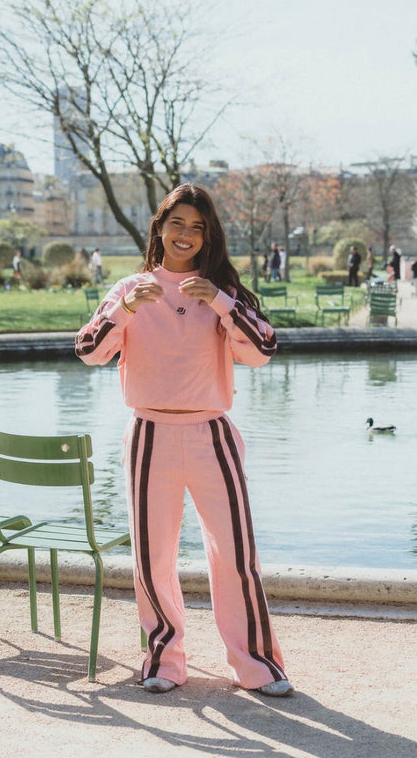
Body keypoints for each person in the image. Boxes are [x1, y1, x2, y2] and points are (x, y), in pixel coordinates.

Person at [75, 183, 293, 698]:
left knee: (236, 552)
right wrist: (125, 309)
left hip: (211, 434)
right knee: (153, 556)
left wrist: (219, 301)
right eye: (177, 223)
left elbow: (263, 350)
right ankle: (164, 659)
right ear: (159, 228)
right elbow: (88, 351)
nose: (186, 234)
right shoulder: (129, 289)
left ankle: (256, 664)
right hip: (149, 433)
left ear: (207, 235)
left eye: (197, 227)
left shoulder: (221, 292)